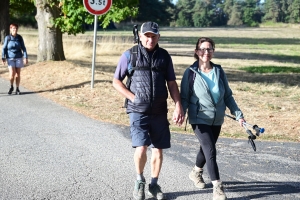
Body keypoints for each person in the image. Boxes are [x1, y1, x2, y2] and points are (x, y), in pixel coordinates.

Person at [113, 22, 184, 200]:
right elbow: (116, 81)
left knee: (158, 150)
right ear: (140, 36)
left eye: (153, 36)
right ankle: (139, 181)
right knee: (142, 148)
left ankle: (154, 184)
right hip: (138, 110)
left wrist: (178, 105)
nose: (150, 39)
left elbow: (172, 83)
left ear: (158, 37)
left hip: (159, 111)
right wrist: (132, 97)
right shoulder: (130, 55)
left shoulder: (164, 56)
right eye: (147, 36)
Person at [180, 37, 246, 200]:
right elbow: (184, 98)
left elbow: (228, 96)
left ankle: (195, 172)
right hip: (198, 118)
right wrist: (180, 112)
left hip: (217, 119)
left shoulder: (219, 71)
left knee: (206, 149)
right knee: (210, 150)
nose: (206, 52)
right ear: (197, 52)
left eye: (209, 49)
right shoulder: (190, 73)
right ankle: (218, 187)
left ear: (213, 52)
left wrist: (239, 115)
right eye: (202, 49)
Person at [2, 23, 28, 95]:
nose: (15, 30)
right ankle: (11, 86)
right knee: (12, 73)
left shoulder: (19, 38)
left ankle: (17, 88)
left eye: (16, 28)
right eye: (13, 28)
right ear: (10, 29)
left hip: (19, 57)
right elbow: (4, 48)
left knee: (18, 73)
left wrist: (25, 57)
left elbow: (23, 48)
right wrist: (3, 57)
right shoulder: (8, 38)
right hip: (10, 57)